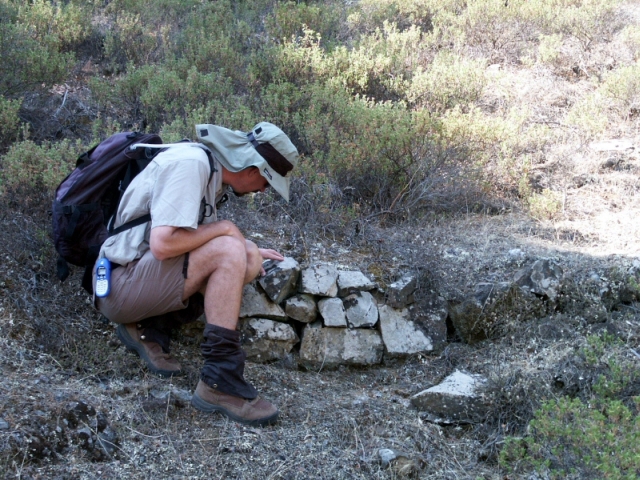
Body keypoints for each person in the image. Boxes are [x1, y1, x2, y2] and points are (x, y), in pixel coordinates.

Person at [93, 122, 299, 427]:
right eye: (267, 182)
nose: (262, 190)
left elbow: (192, 240)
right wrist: (228, 232)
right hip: (120, 285)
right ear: (253, 169)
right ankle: (220, 381)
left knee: (248, 257)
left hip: (138, 279)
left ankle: (150, 326)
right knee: (230, 250)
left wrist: (247, 248)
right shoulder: (192, 165)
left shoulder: (210, 172)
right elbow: (163, 245)